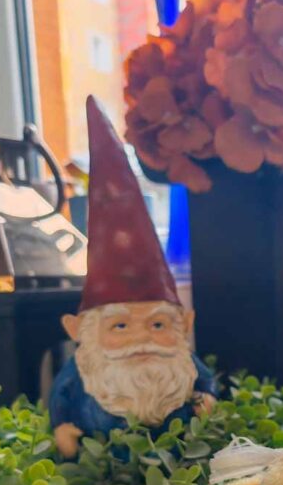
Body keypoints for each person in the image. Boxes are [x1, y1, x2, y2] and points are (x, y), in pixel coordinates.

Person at [50, 96, 216, 458]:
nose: (142, 337)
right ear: (78, 331)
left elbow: (204, 381)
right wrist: (62, 427)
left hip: (180, 460)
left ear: (185, 324)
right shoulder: (81, 372)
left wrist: (207, 398)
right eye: (120, 326)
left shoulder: (181, 363)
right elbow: (60, 397)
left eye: (158, 325)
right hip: (101, 465)